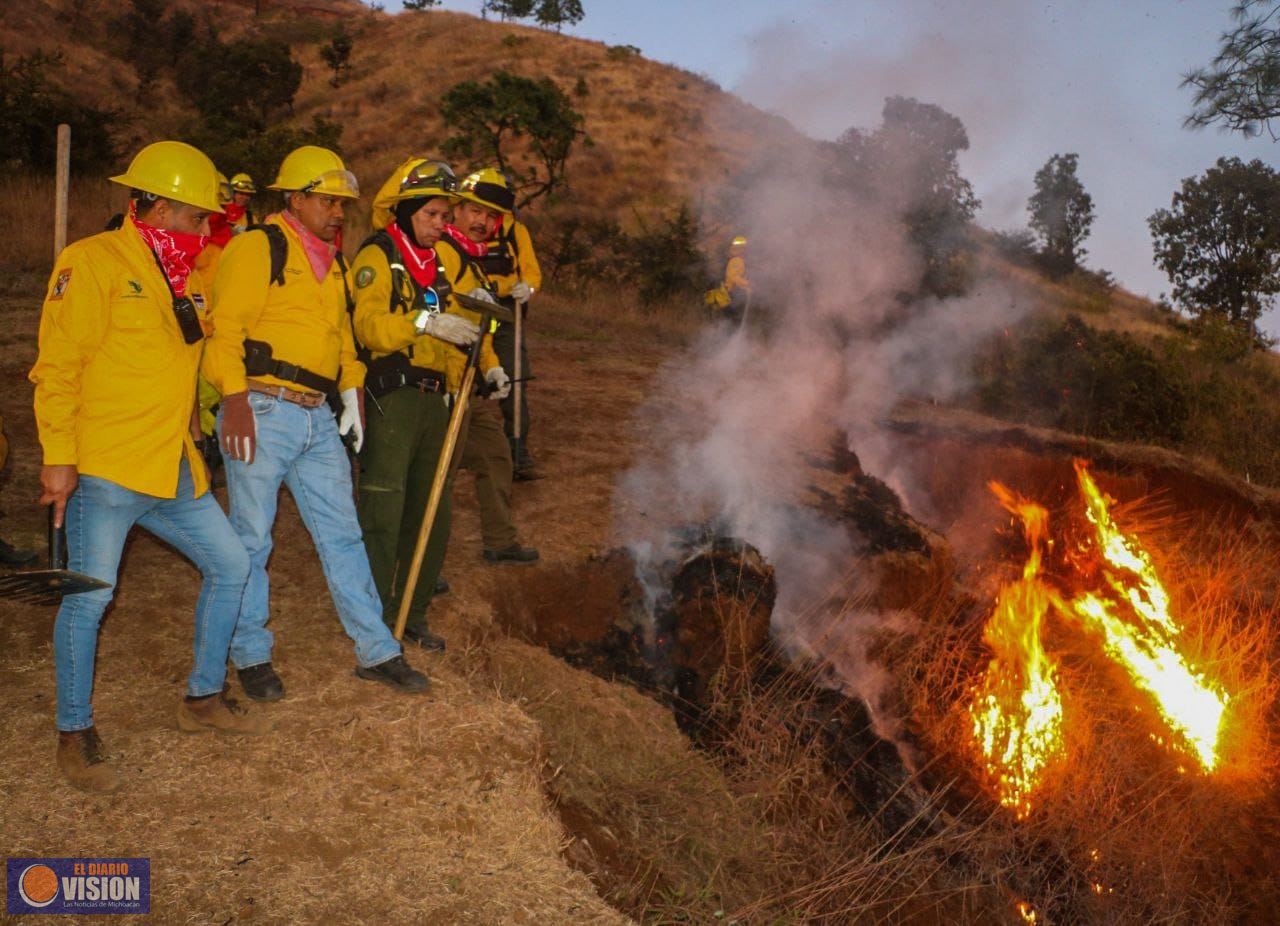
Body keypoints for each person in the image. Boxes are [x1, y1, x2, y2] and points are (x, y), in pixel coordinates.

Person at [30, 140, 268, 793]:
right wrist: (58, 459)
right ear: (153, 205)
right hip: (104, 467)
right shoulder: (92, 261)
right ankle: (74, 733)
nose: (204, 229)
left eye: (207, 219)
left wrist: (231, 401)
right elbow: (57, 370)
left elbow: (202, 356)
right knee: (89, 598)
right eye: (194, 217)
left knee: (232, 565)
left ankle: (201, 698)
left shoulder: (190, 275)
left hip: (174, 465)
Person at [202, 145, 429, 700]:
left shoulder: (334, 263)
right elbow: (224, 333)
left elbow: (344, 343)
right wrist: (233, 403)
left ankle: (377, 650)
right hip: (262, 407)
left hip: (316, 417)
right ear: (296, 198)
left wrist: (351, 397)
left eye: (342, 205)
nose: (337, 213)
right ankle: (251, 654)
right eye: (327, 201)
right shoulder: (258, 248)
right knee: (252, 540)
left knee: (343, 534)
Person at [351, 158, 499, 651]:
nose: (442, 224)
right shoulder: (380, 255)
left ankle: (410, 613)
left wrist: (484, 341)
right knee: (384, 508)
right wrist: (421, 323)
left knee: (431, 512)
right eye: (433, 214)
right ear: (410, 209)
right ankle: (372, 619)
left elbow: (466, 322)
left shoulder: (438, 263)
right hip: (394, 395)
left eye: (445, 216)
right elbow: (367, 326)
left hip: (438, 399)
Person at [442, 169, 538, 565]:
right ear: (456, 209)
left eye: (491, 216)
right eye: (474, 212)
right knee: (437, 472)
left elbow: (481, 325)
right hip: (437, 381)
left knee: (497, 454)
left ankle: (500, 541)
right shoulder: (441, 249)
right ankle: (424, 561)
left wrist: (492, 367)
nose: (482, 222)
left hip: (468, 372)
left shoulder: (475, 255)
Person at [477, 197, 542, 480]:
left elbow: (530, 270)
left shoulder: (515, 231)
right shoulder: (462, 224)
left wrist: (528, 286)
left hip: (505, 308)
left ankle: (517, 450)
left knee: (515, 377)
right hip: (470, 302)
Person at [723, 235, 751, 326]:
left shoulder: (735, 260)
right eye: (745, 248)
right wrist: (747, 283)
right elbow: (734, 277)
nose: (747, 251)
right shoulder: (737, 260)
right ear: (742, 249)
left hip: (733, 293)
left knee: (734, 322)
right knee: (735, 322)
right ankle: (731, 339)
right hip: (733, 294)